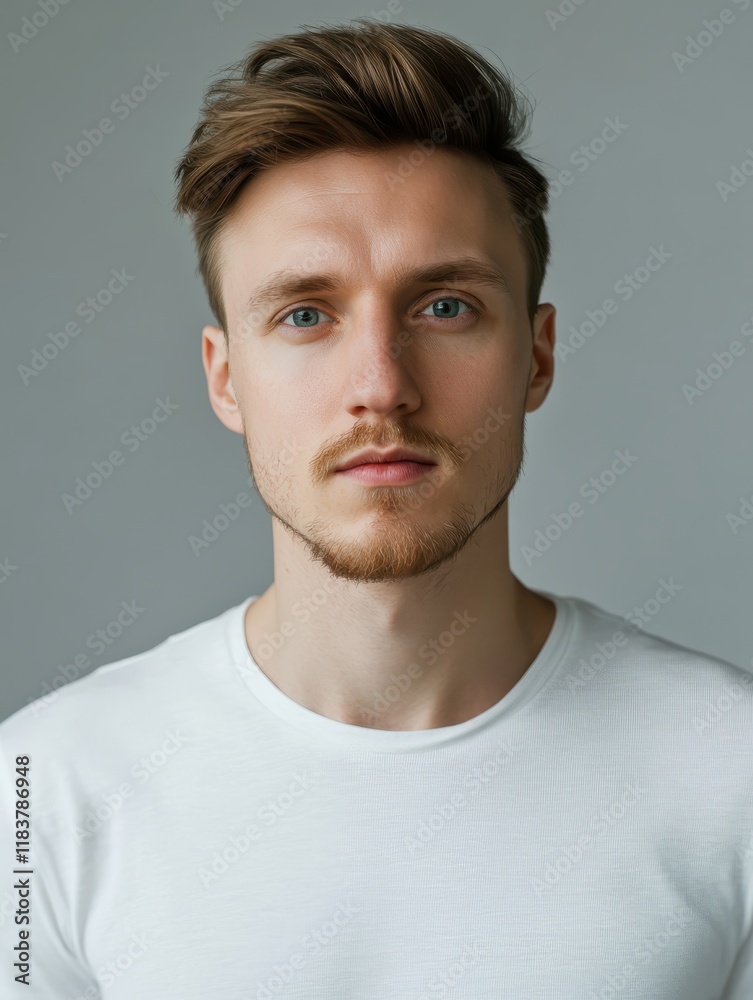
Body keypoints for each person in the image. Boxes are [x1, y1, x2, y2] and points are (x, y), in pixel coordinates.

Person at [1, 18, 752, 999]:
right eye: (305, 315)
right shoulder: (38, 792)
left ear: (537, 355)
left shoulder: (731, 774)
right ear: (226, 380)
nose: (381, 385)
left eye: (445, 305)